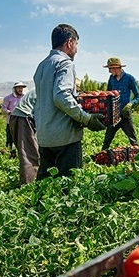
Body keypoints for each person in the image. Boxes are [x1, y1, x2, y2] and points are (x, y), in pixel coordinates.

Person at [33, 23, 106, 179]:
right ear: (70, 43)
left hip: (45, 136)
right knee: (69, 189)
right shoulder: (65, 63)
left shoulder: (42, 65)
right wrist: (86, 119)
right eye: (76, 44)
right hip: (64, 137)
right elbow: (61, 96)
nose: (77, 49)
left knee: (45, 188)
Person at [101, 57, 139, 150]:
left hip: (125, 115)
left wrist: (131, 104)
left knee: (133, 140)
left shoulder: (129, 78)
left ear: (115, 67)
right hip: (114, 115)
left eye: (110, 69)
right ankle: (101, 159)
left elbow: (138, 96)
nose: (109, 71)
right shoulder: (111, 79)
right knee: (107, 140)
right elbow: (108, 94)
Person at [9, 88, 40, 184]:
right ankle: (27, 188)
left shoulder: (45, 84)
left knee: (31, 151)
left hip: (22, 117)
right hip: (23, 118)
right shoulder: (54, 87)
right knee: (28, 154)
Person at [1, 81, 26, 152]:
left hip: (22, 121)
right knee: (10, 138)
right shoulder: (8, 98)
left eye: (21, 88)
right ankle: (9, 152)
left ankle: (21, 152)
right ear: (15, 89)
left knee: (21, 138)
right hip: (11, 122)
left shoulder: (24, 98)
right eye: (18, 88)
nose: (20, 89)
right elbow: (3, 109)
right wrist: (10, 112)